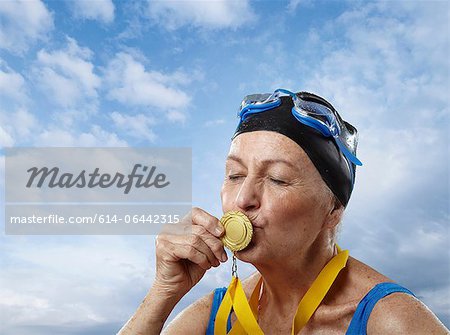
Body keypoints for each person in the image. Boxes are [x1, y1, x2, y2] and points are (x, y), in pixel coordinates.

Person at [118, 90, 448, 334]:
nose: (243, 198)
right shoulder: (216, 317)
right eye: (234, 175)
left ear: (332, 209)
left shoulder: (393, 321)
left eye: (277, 179)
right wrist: (163, 293)